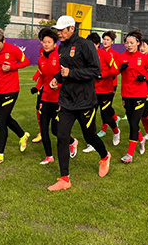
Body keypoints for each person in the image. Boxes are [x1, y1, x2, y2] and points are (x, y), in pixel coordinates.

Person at [47, 16, 111, 191]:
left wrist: (71, 73)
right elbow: (64, 71)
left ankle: (105, 156)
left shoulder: (85, 45)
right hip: (66, 100)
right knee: (61, 136)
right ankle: (64, 178)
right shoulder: (62, 47)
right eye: (57, 30)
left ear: (72, 29)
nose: (58, 33)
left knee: (89, 136)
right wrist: (57, 78)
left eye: (61, 30)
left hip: (85, 101)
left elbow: (95, 71)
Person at [0, 27, 31, 166]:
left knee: (1, 120)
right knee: (6, 117)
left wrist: (11, 67)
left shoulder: (13, 49)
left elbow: (26, 62)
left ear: (3, 40)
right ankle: (23, 135)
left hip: (11, 89)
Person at [118, 29, 148, 164]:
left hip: (140, 94)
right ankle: (141, 139)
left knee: (133, 123)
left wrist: (145, 77)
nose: (129, 45)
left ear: (138, 43)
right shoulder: (121, 57)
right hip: (126, 94)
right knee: (131, 121)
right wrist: (120, 69)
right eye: (126, 42)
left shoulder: (144, 58)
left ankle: (129, 154)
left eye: (131, 42)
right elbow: (114, 72)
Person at [82, 32, 120, 153]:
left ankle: (116, 131)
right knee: (90, 116)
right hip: (92, 91)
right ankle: (92, 143)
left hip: (106, 90)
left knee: (106, 115)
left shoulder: (105, 55)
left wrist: (101, 75)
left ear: (97, 44)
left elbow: (115, 70)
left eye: (92, 44)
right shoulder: (85, 56)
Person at [34, 28, 61, 165]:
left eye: (49, 42)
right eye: (44, 42)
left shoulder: (60, 56)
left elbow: (66, 77)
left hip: (58, 99)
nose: (46, 44)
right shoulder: (41, 59)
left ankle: (72, 141)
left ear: (55, 43)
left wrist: (59, 85)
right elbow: (43, 78)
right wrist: (38, 88)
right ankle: (49, 156)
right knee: (43, 129)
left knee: (56, 130)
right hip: (45, 98)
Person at [100, 30, 121, 136]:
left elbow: (116, 70)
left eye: (108, 40)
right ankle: (116, 118)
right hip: (99, 85)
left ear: (112, 42)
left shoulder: (115, 54)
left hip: (111, 84)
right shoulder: (99, 52)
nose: (105, 41)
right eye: (104, 39)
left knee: (106, 108)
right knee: (105, 107)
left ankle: (104, 129)